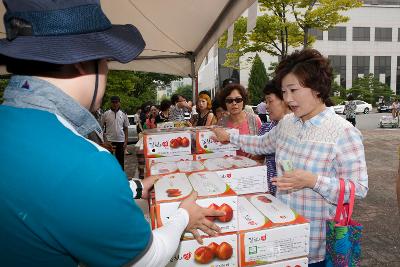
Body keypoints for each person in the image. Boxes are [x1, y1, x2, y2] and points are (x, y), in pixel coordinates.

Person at [0, 1, 224, 266]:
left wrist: (136, 187)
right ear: (85, 62)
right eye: (105, 60)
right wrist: (184, 216)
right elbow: (147, 259)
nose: (106, 70)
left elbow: (51, 200)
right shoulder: (86, 163)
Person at [213, 49, 368, 266]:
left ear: (316, 87)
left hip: (316, 245)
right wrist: (229, 135)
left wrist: (313, 181)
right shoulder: (287, 124)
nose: (288, 98)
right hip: (282, 233)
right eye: (284, 92)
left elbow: (358, 189)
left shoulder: (343, 133)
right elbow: (261, 143)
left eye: (293, 90)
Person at [258, 80, 292, 196]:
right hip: (269, 192)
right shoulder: (265, 129)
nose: (266, 106)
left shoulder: (298, 130)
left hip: (291, 195)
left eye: (270, 101)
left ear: (285, 100)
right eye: (265, 101)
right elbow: (257, 152)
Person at [217, 83, 262, 157]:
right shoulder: (221, 123)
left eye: (238, 100)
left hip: (252, 166)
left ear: (243, 101)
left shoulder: (254, 120)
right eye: (229, 100)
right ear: (225, 103)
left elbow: (263, 146)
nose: (234, 103)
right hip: (228, 166)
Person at [101, 96, 129, 169]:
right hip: (109, 141)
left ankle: (121, 177)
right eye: (113, 102)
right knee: (109, 161)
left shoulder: (123, 114)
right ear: (110, 103)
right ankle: (110, 177)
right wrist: (104, 141)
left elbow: (126, 128)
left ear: (119, 103)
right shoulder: (105, 114)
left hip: (120, 141)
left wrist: (126, 141)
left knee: (120, 162)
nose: (115, 104)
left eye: (116, 102)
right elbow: (101, 128)